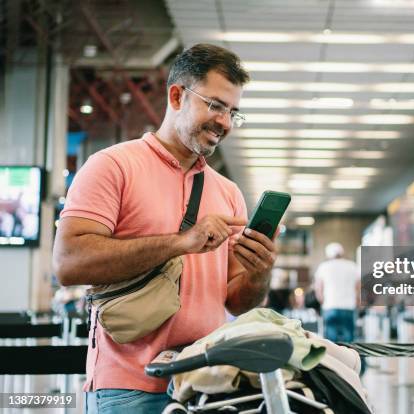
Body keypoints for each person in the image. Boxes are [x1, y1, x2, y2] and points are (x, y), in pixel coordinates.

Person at [52, 44, 278, 414]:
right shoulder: (113, 167)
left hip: (205, 385)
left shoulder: (228, 192)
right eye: (216, 105)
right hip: (127, 388)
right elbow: (68, 263)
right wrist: (180, 243)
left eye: (233, 112)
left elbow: (237, 301)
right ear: (177, 96)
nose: (224, 122)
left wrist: (260, 272)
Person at [314, 242, 360, 342]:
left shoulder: (323, 267)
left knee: (331, 342)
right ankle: (349, 358)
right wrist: (356, 301)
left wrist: (322, 302)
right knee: (349, 341)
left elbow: (318, 289)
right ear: (342, 253)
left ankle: (334, 358)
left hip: (330, 307)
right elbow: (358, 288)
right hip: (348, 307)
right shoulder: (352, 266)